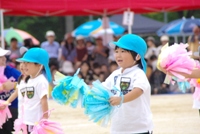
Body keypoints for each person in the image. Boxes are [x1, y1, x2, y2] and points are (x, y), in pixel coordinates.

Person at [102, 34, 153, 134]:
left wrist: (121, 99)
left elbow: (138, 90)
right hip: (118, 129)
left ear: (137, 56)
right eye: (116, 51)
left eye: (123, 51)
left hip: (139, 129)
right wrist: (81, 85)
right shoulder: (116, 74)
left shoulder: (138, 74)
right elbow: (102, 87)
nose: (118, 55)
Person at [15, 48, 51, 134]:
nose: (24, 65)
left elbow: (44, 100)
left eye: (28, 63)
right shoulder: (30, 80)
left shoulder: (41, 81)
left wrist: (45, 119)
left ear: (39, 65)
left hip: (36, 122)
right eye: (24, 62)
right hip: (28, 120)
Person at [0, 47, 21, 134]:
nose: (4, 59)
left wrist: (14, 85)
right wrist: (2, 87)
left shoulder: (11, 71)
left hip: (12, 107)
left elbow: (24, 82)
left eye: (4, 56)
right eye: (1, 57)